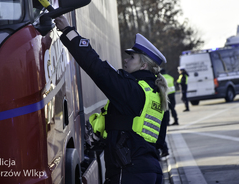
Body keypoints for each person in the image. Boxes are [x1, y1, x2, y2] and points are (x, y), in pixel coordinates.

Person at [54, 16, 169, 184]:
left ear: (143, 65)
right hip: (150, 170)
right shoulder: (156, 94)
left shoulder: (132, 90)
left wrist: (68, 32)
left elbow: (97, 68)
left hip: (130, 172)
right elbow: (148, 136)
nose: (126, 60)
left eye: (132, 58)